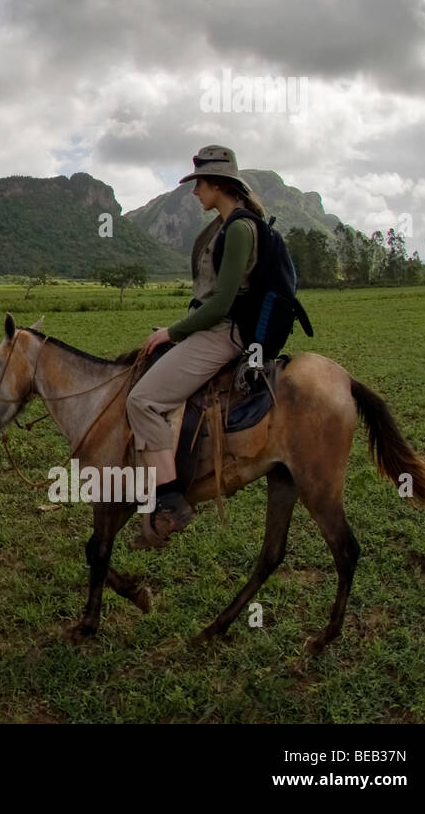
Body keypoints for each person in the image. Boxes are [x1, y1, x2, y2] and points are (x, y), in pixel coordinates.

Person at [126, 145, 268, 549]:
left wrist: (174, 332)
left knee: (142, 400)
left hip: (223, 333)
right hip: (212, 327)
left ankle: (170, 497)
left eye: (199, 184)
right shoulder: (224, 226)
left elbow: (222, 304)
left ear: (219, 184)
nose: (194, 193)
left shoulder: (239, 229)